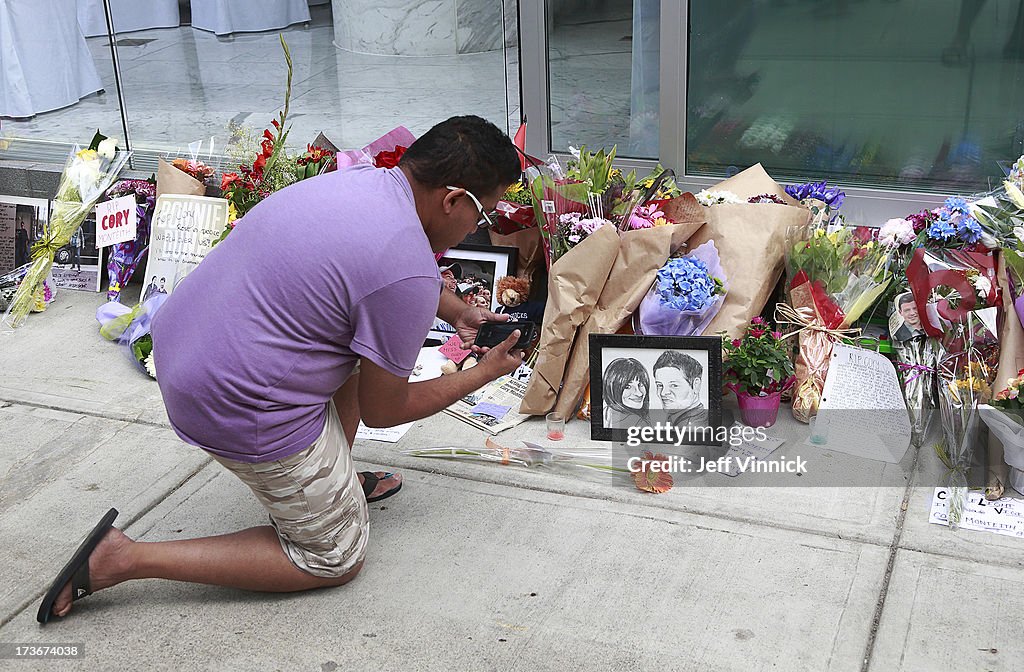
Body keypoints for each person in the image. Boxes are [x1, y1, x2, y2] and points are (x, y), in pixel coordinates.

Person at [37, 115, 524, 624]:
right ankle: (123, 558)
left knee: (363, 352)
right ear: (452, 200)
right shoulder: (408, 267)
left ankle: (331, 476)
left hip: (186, 348)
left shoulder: (361, 183)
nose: (478, 228)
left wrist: (457, 311)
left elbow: (368, 275)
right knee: (335, 556)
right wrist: (482, 373)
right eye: (482, 215)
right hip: (231, 400)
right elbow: (387, 410)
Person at [653, 350, 707, 429]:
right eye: (660, 385)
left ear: (696, 385)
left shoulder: (694, 427)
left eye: (674, 385)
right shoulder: (676, 419)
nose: (663, 393)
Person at [602, 358, 651, 429]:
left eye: (640, 384)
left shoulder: (606, 411)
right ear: (613, 388)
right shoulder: (639, 423)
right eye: (627, 386)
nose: (639, 393)